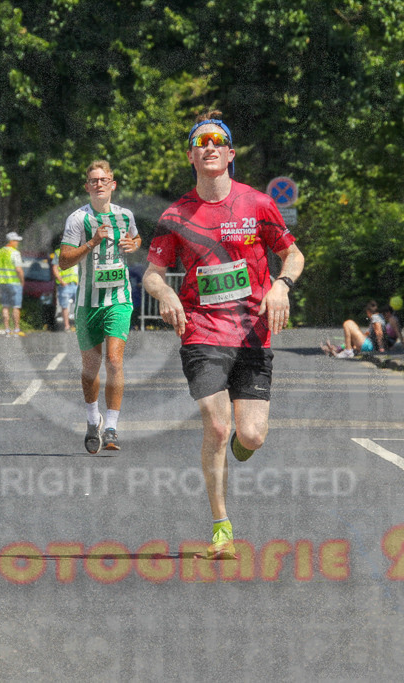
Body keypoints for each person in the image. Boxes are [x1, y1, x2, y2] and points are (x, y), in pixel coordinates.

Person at [142, 111, 304, 559]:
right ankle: (221, 528)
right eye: (201, 141)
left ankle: (240, 441)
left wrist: (281, 286)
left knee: (251, 436)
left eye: (219, 140)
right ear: (192, 156)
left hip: (252, 332)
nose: (210, 146)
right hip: (202, 330)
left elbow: (293, 255)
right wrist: (166, 296)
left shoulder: (256, 205)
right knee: (216, 424)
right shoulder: (177, 215)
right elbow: (153, 275)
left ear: (230, 154)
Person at [58, 161, 141, 453]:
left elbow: (135, 236)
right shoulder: (77, 220)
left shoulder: (125, 215)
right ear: (87, 187)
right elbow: (64, 260)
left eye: (104, 179)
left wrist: (134, 244)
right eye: (93, 180)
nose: (99, 184)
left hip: (119, 299)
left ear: (113, 184)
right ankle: (93, 419)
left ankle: (112, 429)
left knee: (115, 361)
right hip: (87, 304)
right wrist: (92, 242)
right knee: (90, 368)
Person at [321, 300, 387, 358]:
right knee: (352, 334)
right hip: (369, 344)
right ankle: (338, 349)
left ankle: (348, 352)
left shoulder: (375, 317)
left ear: (368, 312)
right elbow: (370, 334)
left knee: (348, 323)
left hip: (370, 345)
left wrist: (381, 348)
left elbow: (379, 332)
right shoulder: (379, 317)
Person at [0, 232, 26, 336]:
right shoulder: (15, 253)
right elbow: (18, 269)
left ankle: (7, 330)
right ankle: (16, 329)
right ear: (11, 241)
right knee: (16, 306)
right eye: (16, 241)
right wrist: (22, 281)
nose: (17, 243)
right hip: (15, 283)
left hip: (3, 283)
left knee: (5, 306)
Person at [50, 245, 78, 332]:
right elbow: (55, 268)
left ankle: (78, 326)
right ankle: (67, 326)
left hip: (76, 283)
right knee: (65, 306)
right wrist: (61, 281)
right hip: (65, 284)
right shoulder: (58, 252)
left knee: (79, 306)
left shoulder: (75, 250)